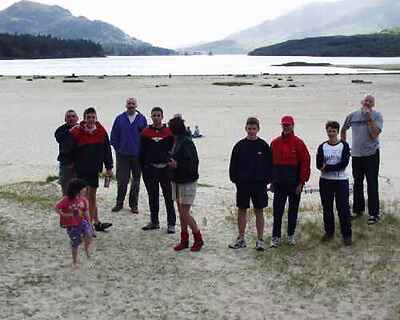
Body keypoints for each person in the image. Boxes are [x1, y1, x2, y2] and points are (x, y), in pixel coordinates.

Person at [228, 117, 272, 251]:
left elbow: (269, 165)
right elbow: (233, 165)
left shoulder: (263, 146)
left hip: (259, 185)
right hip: (243, 184)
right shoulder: (239, 145)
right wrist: (235, 180)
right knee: (242, 210)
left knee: (259, 210)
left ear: (258, 129)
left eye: (254, 129)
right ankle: (241, 238)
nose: (251, 131)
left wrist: (267, 180)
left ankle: (260, 240)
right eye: (249, 129)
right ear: (245, 129)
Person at [341, 94, 383, 225]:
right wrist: (344, 145)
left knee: (372, 183)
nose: (368, 103)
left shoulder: (377, 116)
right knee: (357, 183)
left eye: (370, 102)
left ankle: (374, 214)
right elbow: (343, 129)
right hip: (356, 155)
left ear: (373, 104)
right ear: (362, 102)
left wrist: (369, 117)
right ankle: (358, 211)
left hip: (371, 154)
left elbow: (374, 134)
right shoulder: (352, 115)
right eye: (366, 101)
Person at [69, 107, 113, 232]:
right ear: (84, 118)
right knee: (82, 197)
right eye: (88, 117)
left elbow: (107, 151)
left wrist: (109, 167)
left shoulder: (101, 131)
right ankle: (83, 223)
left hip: (94, 169)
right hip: (81, 169)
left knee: (92, 196)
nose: (91, 120)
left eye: (93, 117)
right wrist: (71, 163)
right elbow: (69, 148)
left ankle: (92, 222)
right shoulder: (77, 131)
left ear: (96, 118)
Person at [270, 116, 311, 248]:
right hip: (279, 184)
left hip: (294, 184)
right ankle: (275, 237)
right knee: (277, 211)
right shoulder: (275, 143)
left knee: (293, 211)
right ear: (281, 126)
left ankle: (291, 235)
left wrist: (301, 182)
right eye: (284, 125)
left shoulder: (299, 143)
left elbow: (306, 163)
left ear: (293, 126)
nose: (286, 127)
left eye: (288, 125)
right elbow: (271, 164)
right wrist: (271, 182)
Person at [167, 116, 203, 252]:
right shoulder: (177, 140)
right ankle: (184, 239)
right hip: (177, 180)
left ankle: (198, 238)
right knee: (181, 212)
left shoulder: (187, 142)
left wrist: (177, 165)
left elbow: (192, 164)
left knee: (184, 213)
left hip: (187, 181)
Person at [140, 107, 176, 233]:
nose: (156, 117)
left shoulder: (169, 132)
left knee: (169, 197)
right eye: (154, 115)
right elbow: (141, 152)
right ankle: (154, 221)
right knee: (153, 196)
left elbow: (174, 150)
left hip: (165, 170)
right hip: (151, 169)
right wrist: (144, 167)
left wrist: (171, 162)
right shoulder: (145, 133)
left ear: (162, 117)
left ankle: (171, 223)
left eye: (158, 115)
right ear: (151, 117)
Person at [317, 121, 352, 246]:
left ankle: (347, 235)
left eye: (333, 131)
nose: (331, 133)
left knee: (343, 208)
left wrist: (327, 167)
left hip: (341, 181)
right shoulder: (322, 146)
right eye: (329, 131)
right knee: (327, 208)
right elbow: (318, 164)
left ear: (337, 132)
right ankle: (329, 232)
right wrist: (325, 167)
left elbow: (343, 164)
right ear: (326, 131)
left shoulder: (344, 146)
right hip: (325, 181)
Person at [110, 97, 148, 214]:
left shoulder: (141, 119)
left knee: (136, 181)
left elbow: (145, 137)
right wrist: (118, 149)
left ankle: (134, 205)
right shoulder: (120, 118)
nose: (131, 105)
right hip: (122, 155)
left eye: (133, 104)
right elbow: (114, 136)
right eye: (129, 103)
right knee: (122, 180)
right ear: (126, 105)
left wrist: (143, 151)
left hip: (137, 155)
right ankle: (119, 203)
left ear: (136, 105)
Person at [55, 178, 93, 269]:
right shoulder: (66, 200)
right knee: (75, 243)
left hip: (82, 222)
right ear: (76, 190)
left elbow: (86, 212)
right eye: (83, 188)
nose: (85, 190)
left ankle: (86, 248)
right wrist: (63, 214)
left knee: (89, 235)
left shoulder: (83, 200)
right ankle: (75, 261)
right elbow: (56, 207)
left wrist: (90, 223)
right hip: (72, 225)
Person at [55, 110, 78, 195]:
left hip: (79, 164)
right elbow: (62, 140)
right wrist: (71, 131)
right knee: (65, 188)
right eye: (68, 117)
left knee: (79, 189)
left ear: (77, 118)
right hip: (65, 164)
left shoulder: (82, 129)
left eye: (73, 116)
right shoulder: (60, 131)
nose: (71, 118)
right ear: (65, 119)